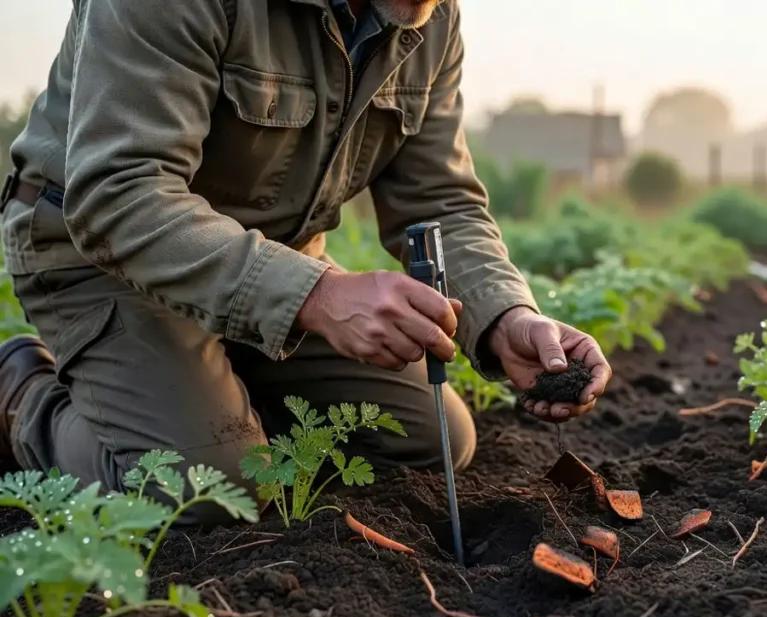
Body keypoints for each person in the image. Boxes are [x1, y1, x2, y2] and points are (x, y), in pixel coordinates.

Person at [0, 0, 611, 523]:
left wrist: (505, 316)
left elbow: (440, 199)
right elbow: (119, 193)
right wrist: (314, 296)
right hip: (100, 256)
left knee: (432, 438)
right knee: (209, 493)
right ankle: (24, 395)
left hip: (276, 272)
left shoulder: (429, 18)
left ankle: (210, 401)